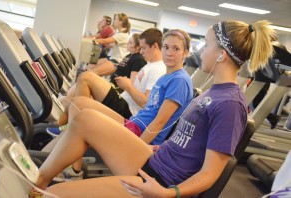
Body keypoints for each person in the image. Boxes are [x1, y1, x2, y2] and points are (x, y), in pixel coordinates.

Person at [32, 20, 275, 197]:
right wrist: (160, 145)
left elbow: (210, 174)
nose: (201, 50)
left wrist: (169, 193)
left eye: (207, 44)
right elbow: (187, 140)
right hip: (154, 158)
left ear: (221, 55)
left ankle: (43, 189)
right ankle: (36, 183)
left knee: (58, 194)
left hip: (160, 181)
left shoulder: (231, 104)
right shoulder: (214, 91)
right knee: (85, 117)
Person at [43, 28, 193, 183]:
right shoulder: (166, 77)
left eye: (176, 49)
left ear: (186, 53)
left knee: (83, 112)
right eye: (166, 47)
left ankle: (75, 169)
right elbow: (150, 109)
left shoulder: (180, 80)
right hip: (133, 124)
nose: (169, 52)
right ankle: (67, 129)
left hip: (137, 134)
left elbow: (160, 122)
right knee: (79, 103)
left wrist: (137, 146)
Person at [47, 28, 166, 136]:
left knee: (86, 78)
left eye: (144, 48)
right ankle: (62, 129)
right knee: (70, 101)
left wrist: (128, 86)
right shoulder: (151, 65)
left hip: (128, 111)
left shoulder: (157, 69)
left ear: (154, 46)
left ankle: (75, 126)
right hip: (123, 100)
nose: (141, 51)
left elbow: (146, 103)